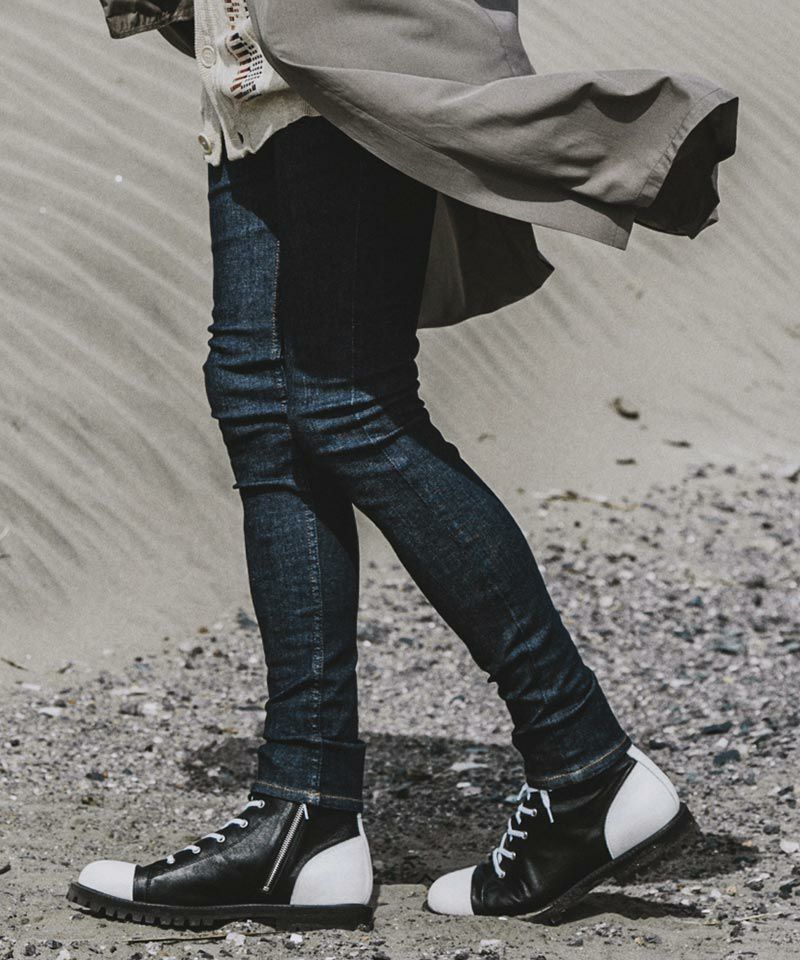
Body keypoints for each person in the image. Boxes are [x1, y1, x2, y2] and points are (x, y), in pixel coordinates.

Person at [70, 0, 718, 930]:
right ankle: (306, 817)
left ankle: (586, 768)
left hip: (338, 32)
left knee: (346, 399)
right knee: (262, 398)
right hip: (251, 51)